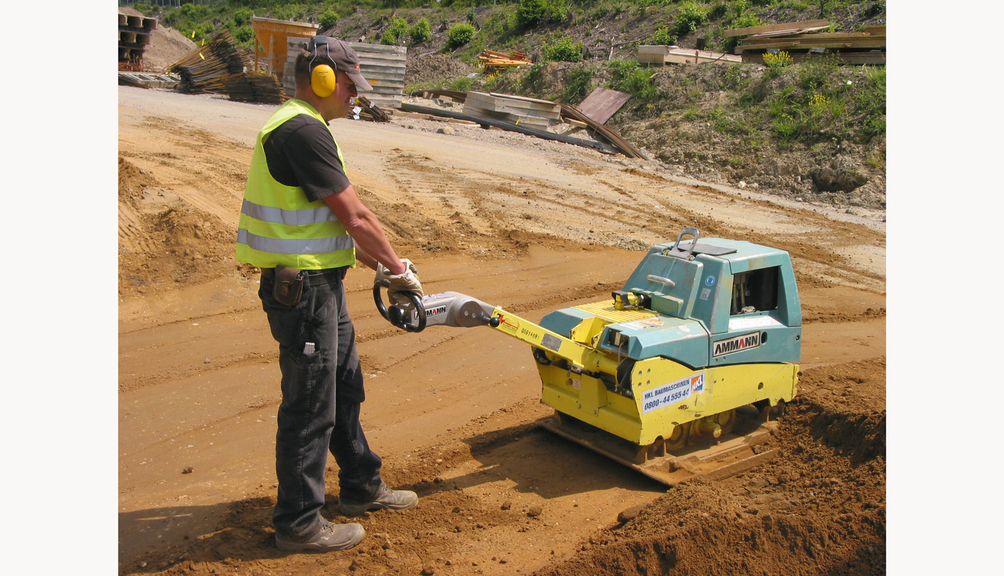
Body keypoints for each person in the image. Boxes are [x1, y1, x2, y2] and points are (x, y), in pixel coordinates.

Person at [235, 35, 424, 553]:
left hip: (320, 284)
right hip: (304, 292)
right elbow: (356, 216)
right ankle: (298, 523)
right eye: (349, 84)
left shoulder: (305, 127)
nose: (354, 94)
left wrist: (374, 264)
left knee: (343, 387)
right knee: (310, 405)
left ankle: (361, 485)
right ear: (322, 79)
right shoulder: (301, 130)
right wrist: (397, 269)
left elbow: (324, 222)